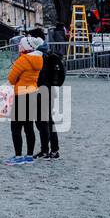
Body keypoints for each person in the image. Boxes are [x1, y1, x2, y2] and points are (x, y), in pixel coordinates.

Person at [5, 34, 44, 165]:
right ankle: (29, 156)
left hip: (21, 94)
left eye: (20, 45)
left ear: (25, 47)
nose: (18, 47)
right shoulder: (39, 59)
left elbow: (11, 79)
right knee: (29, 127)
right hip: (33, 92)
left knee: (16, 127)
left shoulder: (22, 60)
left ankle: (18, 156)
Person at [34, 27, 64, 159]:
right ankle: (53, 149)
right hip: (49, 91)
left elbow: (40, 77)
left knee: (42, 122)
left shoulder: (40, 56)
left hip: (42, 91)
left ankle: (46, 150)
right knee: (48, 121)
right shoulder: (48, 53)